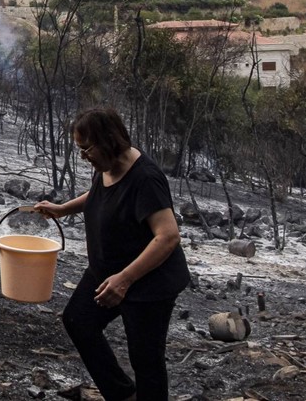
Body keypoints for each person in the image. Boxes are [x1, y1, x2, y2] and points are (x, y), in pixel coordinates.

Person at [34, 107, 189, 401]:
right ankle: (121, 395)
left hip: (148, 283)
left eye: (87, 148)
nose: (83, 156)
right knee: (79, 321)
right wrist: (63, 209)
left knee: (146, 360)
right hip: (106, 271)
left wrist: (125, 279)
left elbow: (168, 236)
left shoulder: (145, 178)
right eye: (79, 149)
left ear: (109, 139)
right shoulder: (107, 166)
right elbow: (101, 195)